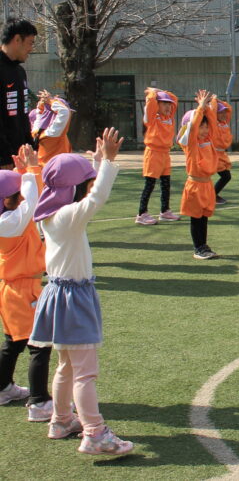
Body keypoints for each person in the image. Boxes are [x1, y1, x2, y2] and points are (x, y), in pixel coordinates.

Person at [29, 128, 134, 456]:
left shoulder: (51, 215)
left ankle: (61, 421)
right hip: (73, 299)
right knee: (85, 372)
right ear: (73, 189)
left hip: (59, 295)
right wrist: (108, 164)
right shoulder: (67, 217)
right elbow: (96, 199)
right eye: (84, 182)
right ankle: (95, 433)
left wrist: (98, 163)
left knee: (67, 366)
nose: (89, 185)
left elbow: (85, 193)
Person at [0, 145, 53, 422]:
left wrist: (24, 172)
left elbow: (32, 197)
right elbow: (32, 200)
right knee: (39, 345)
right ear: (9, 200)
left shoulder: (10, 217)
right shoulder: (11, 222)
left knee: (14, 342)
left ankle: (3, 388)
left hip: (12, 289)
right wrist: (30, 170)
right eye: (17, 193)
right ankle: (39, 402)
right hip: (22, 290)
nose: (22, 195)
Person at [178, 91, 221, 260]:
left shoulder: (208, 140)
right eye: (201, 127)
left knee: (204, 218)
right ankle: (198, 248)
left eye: (205, 127)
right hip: (195, 185)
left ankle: (204, 245)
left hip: (207, 185)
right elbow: (193, 127)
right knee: (196, 219)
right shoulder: (191, 144)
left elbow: (213, 123)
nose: (204, 130)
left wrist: (207, 108)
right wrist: (200, 108)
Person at [136, 87, 180, 225]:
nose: (168, 106)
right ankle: (141, 214)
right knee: (150, 184)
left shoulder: (169, 117)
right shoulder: (152, 118)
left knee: (166, 184)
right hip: (153, 153)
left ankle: (165, 211)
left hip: (165, 154)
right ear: (157, 104)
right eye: (164, 103)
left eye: (169, 104)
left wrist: (161, 91)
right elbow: (150, 103)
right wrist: (153, 92)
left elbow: (174, 99)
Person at [1, 18, 38, 170]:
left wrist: (31, 145)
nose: (31, 49)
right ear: (17, 39)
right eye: (30, 43)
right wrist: (4, 156)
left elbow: (23, 115)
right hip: (5, 160)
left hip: (22, 156)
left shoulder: (20, 71)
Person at [31, 91, 73, 165]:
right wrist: (50, 101)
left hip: (41, 168)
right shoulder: (54, 133)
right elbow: (64, 112)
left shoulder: (35, 131)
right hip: (57, 168)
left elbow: (40, 115)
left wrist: (43, 104)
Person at [213, 99, 233, 205]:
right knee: (226, 176)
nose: (224, 114)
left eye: (224, 112)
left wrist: (219, 101)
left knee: (226, 176)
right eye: (220, 112)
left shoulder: (224, 123)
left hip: (222, 154)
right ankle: (212, 195)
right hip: (214, 154)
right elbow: (211, 112)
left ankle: (212, 195)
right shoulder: (213, 123)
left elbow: (229, 108)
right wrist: (213, 101)